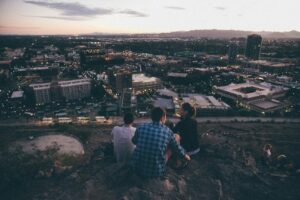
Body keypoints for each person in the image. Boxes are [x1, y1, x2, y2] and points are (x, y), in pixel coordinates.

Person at [131, 107, 190, 178]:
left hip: (137, 168)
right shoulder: (168, 131)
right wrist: (185, 156)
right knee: (176, 137)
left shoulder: (141, 127)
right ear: (163, 117)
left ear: (152, 117)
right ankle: (176, 162)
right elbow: (177, 148)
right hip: (156, 171)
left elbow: (134, 141)